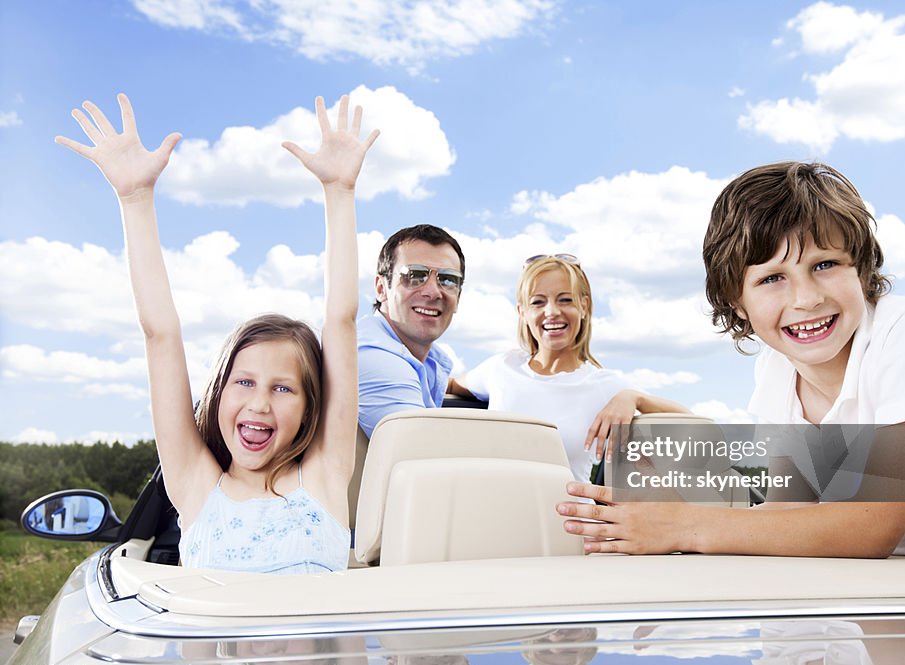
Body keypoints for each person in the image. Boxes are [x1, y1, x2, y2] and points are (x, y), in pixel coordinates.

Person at [557, 161, 905, 559]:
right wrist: (665, 515)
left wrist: (685, 526)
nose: (806, 298)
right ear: (736, 302)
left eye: (825, 265)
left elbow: (872, 526)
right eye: (771, 278)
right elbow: (788, 513)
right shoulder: (777, 371)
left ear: (861, 268)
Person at [57, 93, 378, 573]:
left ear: (312, 406)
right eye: (244, 382)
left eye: (283, 388)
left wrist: (340, 194)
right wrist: (134, 199)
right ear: (219, 392)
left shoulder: (325, 476)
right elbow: (160, 334)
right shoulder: (195, 486)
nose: (259, 404)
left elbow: (340, 321)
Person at [449, 255, 690, 482]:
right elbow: (446, 385)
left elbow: (696, 422)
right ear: (522, 312)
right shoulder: (501, 367)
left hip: (569, 524)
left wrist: (634, 398)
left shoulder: (603, 385)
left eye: (565, 300)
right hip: (498, 520)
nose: (552, 312)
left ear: (584, 307)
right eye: (538, 302)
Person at [357, 224, 465, 437]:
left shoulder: (430, 361)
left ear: (458, 296)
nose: (433, 292)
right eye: (414, 275)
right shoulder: (375, 359)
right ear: (381, 288)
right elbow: (421, 454)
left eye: (448, 279)